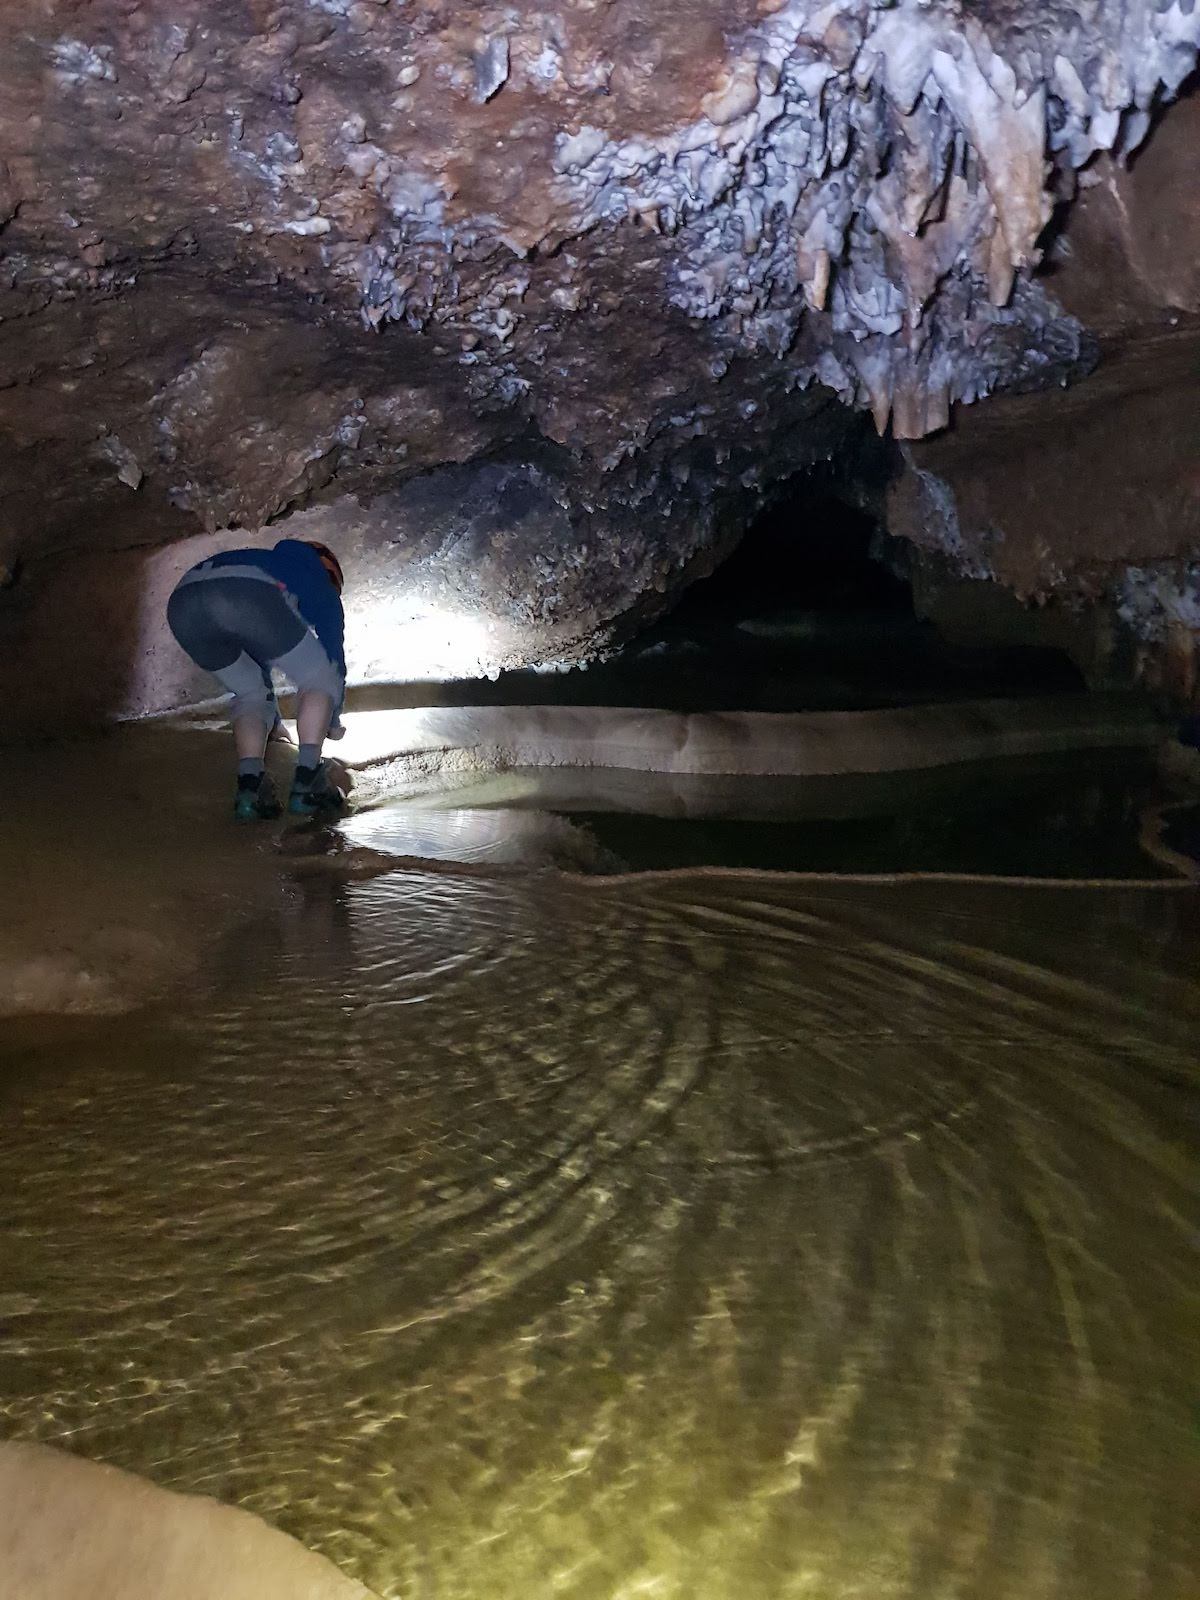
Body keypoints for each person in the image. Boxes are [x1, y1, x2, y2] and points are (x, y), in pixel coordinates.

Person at [167, 538, 348, 819]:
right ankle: (309, 782)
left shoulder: (269, 561)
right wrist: (332, 719)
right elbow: (333, 660)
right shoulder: (317, 580)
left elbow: (260, 664)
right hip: (246, 593)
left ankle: (250, 791)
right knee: (320, 677)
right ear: (331, 576)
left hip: (183, 604)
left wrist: (274, 722)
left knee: (251, 692)